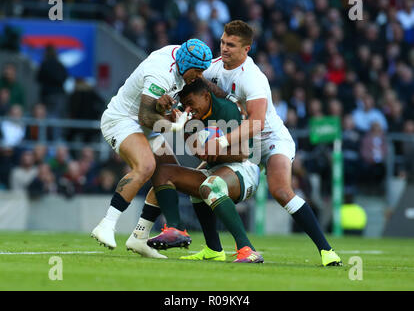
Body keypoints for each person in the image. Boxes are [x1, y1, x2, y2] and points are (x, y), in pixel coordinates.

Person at [175, 20, 341, 266]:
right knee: (199, 185)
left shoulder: (253, 78)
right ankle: (213, 248)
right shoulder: (213, 69)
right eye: (222, 42)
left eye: (231, 45)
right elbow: (187, 82)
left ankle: (327, 251)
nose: (224, 48)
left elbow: (256, 123)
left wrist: (219, 143)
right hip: (239, 142)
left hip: (269, 140)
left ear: (246, 49)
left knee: (281, 191)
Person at [90, 39, 213, 256]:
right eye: (197, 70)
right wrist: (174, 127)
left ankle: (140, 237)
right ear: (185, 64)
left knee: (168, 174)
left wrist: (167, 109)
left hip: (145, 124)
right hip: (121, 120)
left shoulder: (181, 60)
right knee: (146, 166)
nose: (199, 76)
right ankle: (106, 224)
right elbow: (145, 116)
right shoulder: (160, 72)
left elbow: (156, 108)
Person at [130, 79, 263, 263]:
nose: (188, 109)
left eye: (191, 103)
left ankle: (248, 250)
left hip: (244, 169)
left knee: (210, 185)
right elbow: (198, 153)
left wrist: (215, 149)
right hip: (215, 169)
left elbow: (243, 153)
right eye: (184, 105)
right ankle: (178, 230)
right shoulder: (192, 118)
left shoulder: (226, 110)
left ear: (206, 96)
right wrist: (182, 127)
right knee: (162, 173)